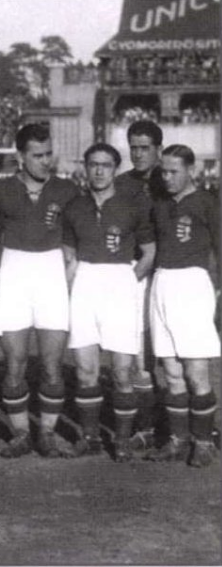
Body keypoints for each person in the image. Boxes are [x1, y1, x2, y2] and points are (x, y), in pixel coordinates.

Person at [62, 143, 155, 461]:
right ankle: (90, 438)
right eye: (93, 164)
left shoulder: (132, 206)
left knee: (122, 371)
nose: (99, 170)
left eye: (105, 165)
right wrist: (72, 285)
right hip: (86, 281)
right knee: (85, 369)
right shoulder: (75, 207)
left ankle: (123, 440)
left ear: (115, 169)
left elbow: (149, 253)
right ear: (85, 168)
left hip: (120, 282)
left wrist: (128, 281)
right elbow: (69, 255)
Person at [0, 124, 79, 458]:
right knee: (14, 362)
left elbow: (77, 234)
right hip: (13, 272)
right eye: (37, 155)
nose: (45, 161)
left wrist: (70, 266)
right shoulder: (1, 191)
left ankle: (46, 432)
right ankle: (20, 434)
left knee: (52, 364)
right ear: (21, 157)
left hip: (51, 272)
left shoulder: (67, 190)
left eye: (48, 154)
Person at [146, 144, 219, 467]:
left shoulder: (207, 202)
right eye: (164, 171)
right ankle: (178, 440)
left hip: (192, 284)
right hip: (162, 282)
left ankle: (203, 442)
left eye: (174, 171)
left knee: (195, 370)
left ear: (192, 170)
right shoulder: (159, 204)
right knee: (172, 371)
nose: (167, 177)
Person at [115, 119, 165, 453]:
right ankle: (148, 427)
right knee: (139, 355)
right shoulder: (121, 184)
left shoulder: (171, 178)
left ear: (159, 149)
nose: (138, 154)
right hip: (136, 271)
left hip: (171, 273)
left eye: (145, 148)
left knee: (177, 357)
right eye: (133, 147)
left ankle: (193, 426)